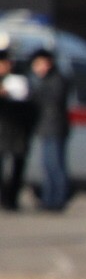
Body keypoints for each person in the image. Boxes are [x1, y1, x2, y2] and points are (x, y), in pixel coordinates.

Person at [28, 48, 70, 212]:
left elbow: (52, 100)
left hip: (55, 128)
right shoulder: (46, 80)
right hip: (46, 128)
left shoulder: (57, 79)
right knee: (47, 166)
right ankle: (49, 199)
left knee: (55, 166)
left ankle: (57, 200)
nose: (37, 67)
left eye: (40, 64)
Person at [0, 48, 34, 211]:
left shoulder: (18, 81)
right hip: (3, 130)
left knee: (16, 166)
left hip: (16, 131)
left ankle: (11, 199)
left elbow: (25, 100)